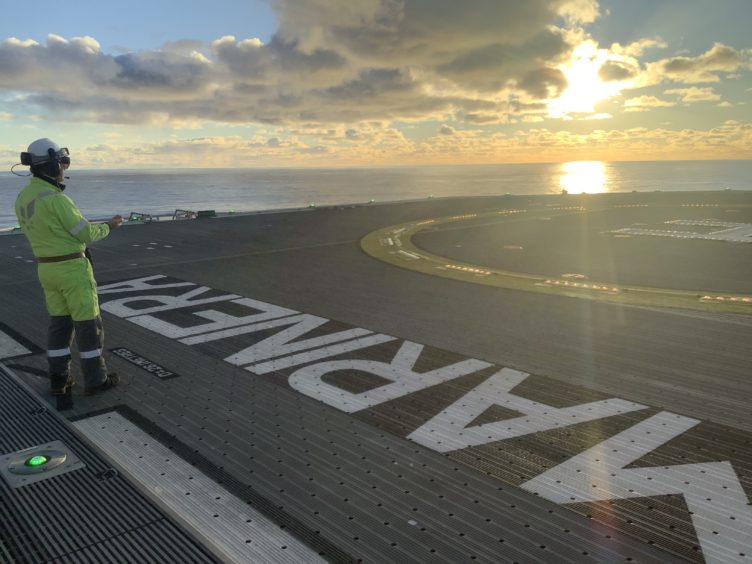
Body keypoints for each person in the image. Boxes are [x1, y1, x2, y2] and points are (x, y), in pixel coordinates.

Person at [14, 138, 123, 396]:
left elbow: (53, 229)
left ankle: (58, 378)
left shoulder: (23, 197)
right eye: (61, 163)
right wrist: (110, 225)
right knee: (88, 327)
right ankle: (97, 380)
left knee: (59, 327)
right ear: (52, 166)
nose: (64, 169)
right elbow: (84, 233)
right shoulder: (56, 199)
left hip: (47, 270)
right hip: (72, 270)